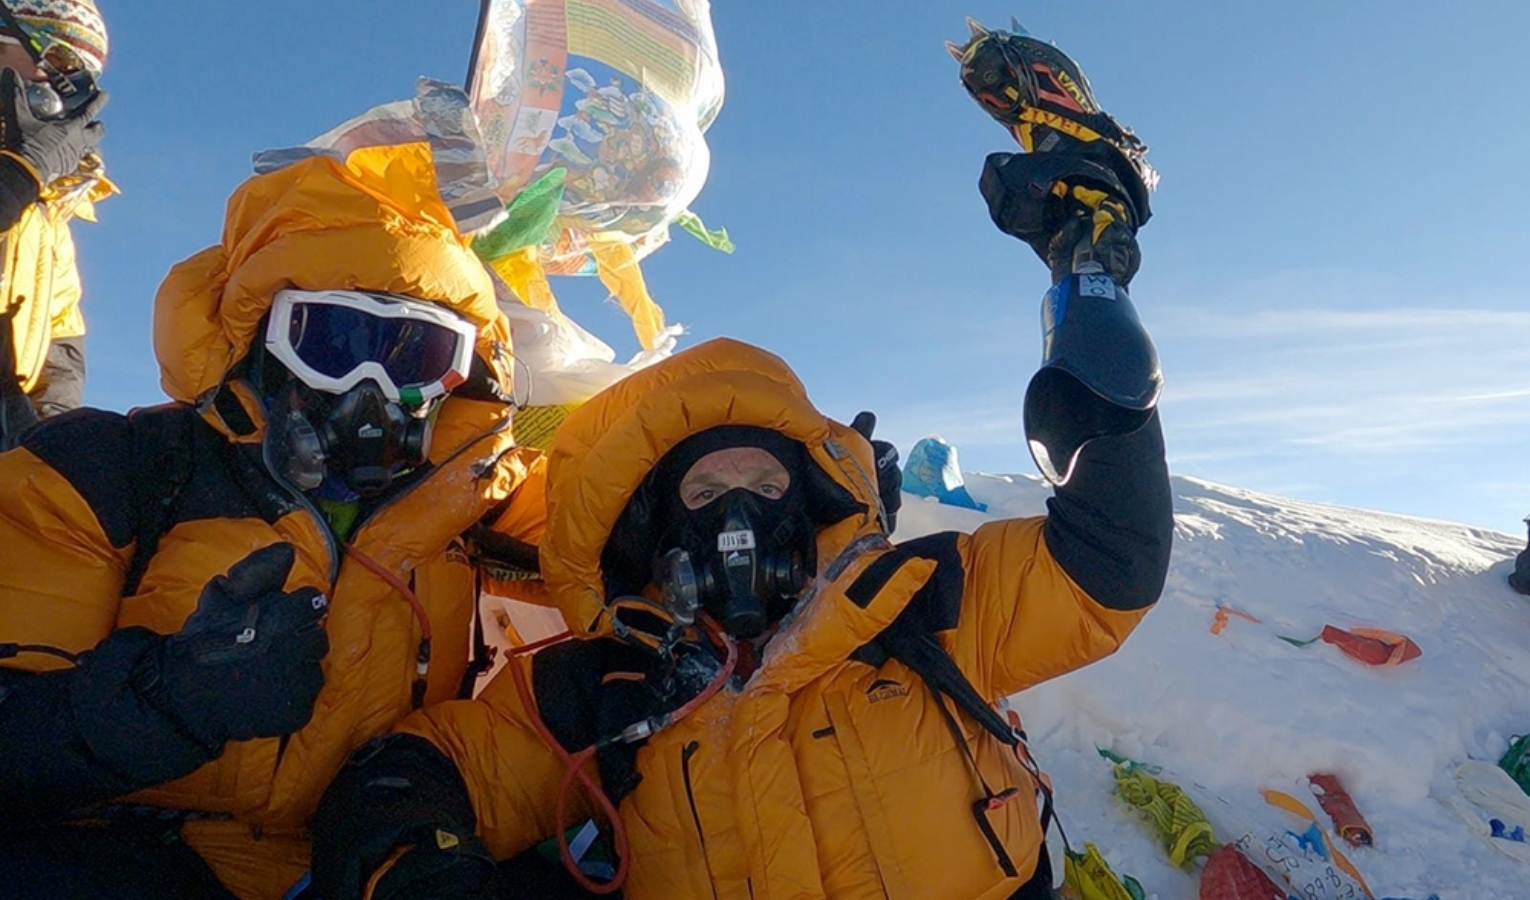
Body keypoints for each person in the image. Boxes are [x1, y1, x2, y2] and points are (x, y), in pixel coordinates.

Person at [307, 27, 1173, 900]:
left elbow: (1110, 562)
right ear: (654, 524)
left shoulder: (919, 607)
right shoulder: (602, 688)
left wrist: (1087, 284)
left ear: (809, 505)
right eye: (707, 490)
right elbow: (412, 775)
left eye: (765, 488)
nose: (739, 517)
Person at [0, 143, 549, 900]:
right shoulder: (112, 474)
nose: (371, 389)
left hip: (351, 857)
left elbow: (618, 501)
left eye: (415, 355)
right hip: (120, 847)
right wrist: (171, 700)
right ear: (258, 343)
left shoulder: (479, 503)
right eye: (331, 343)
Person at [0, 0, 110, 440]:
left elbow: (61, 345)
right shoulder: (28, 176)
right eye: (60, 61)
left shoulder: (48, 216)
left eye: (80, 77)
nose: (61, 87)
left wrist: (50, 438)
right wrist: (21, 173)